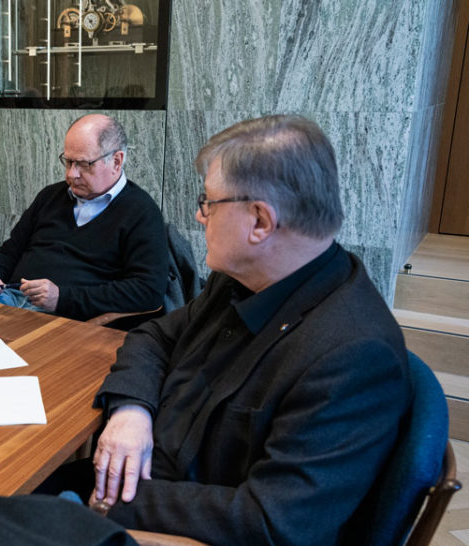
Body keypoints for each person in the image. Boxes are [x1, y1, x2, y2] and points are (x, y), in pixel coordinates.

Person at [88, 115, 411, 544]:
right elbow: (155, 337)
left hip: (155, 521)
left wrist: (109, 501)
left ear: (260, 221)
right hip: (134, 477)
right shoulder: (246, 278)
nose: (199, 216)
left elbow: (270, 522)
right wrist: (132, 410)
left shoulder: (352, 356)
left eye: (209, 202)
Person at [0, 114, 167, 321]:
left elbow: (148, 291)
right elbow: (11, 250)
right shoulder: (50, 196)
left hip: (68, 317)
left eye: (83, 164)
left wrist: (62, 298)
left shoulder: (141, 211)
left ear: (116, 161)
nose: (71, 174)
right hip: (7, 299)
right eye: (68, 161)